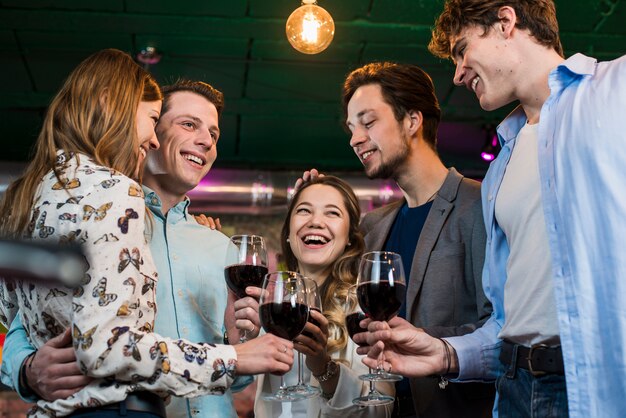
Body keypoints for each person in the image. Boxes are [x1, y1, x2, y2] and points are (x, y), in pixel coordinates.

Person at [356, 1, 626, 418]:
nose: (459, 73)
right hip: (516, 388)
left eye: (462, 50)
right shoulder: (500, 169)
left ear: (505, 22)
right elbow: (505, 323)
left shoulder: (615, 89)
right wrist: (445, 353)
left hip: (599, 384)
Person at [0, 49, 294, 417]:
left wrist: (240, 340)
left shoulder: (222, 248)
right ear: (150, 126)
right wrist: (27, 373)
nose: (207, 140)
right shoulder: (102, 206)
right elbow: (25, 326)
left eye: (214, 132)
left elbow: (237, 375)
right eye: (189, 124)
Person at [301, 62, 494, 418]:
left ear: (413, 121)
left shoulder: (480, 206)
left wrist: (422, 341)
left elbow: (500, 329)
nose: (355, 138)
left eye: (368, 122)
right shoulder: (373, 226)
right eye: (351, 128)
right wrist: (308, 211)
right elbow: (325, 291)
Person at [233, 175, 395, 417]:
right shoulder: (267, 307)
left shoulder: (364, 309)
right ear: (289, 232)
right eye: (304, 210)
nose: (316, 221)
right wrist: (245, 341)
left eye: (332, 213)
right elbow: (228, 387)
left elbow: (381, 410)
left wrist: (323, 367)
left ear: (349, 237)